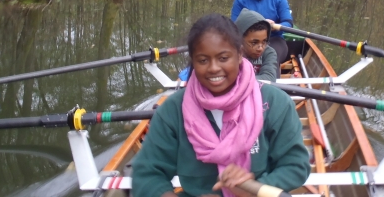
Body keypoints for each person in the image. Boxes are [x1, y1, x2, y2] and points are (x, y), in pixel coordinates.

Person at [132, 13, 309, 197]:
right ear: (192, 60)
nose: (214, 68)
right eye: (203, 60)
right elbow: (146, 174)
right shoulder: (173, 110)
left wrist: (253, 188)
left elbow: (296, 166)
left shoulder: (275, 103)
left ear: (240, 55)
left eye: (223, 58)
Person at [230, 0, 292, 74]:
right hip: (248, 42)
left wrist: (270, 27)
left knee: (271, 57)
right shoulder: (240, 0)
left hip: (274, 40)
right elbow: (235, 27)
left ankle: (271, 87)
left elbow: (288, 23)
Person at [235, 8, 277, 82]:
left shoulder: (269, 53)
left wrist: (242, 81)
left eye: (264, 41)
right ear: (239, 39)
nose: (260, 48)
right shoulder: (230, 53)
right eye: (254, 43)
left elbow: (269, 78)